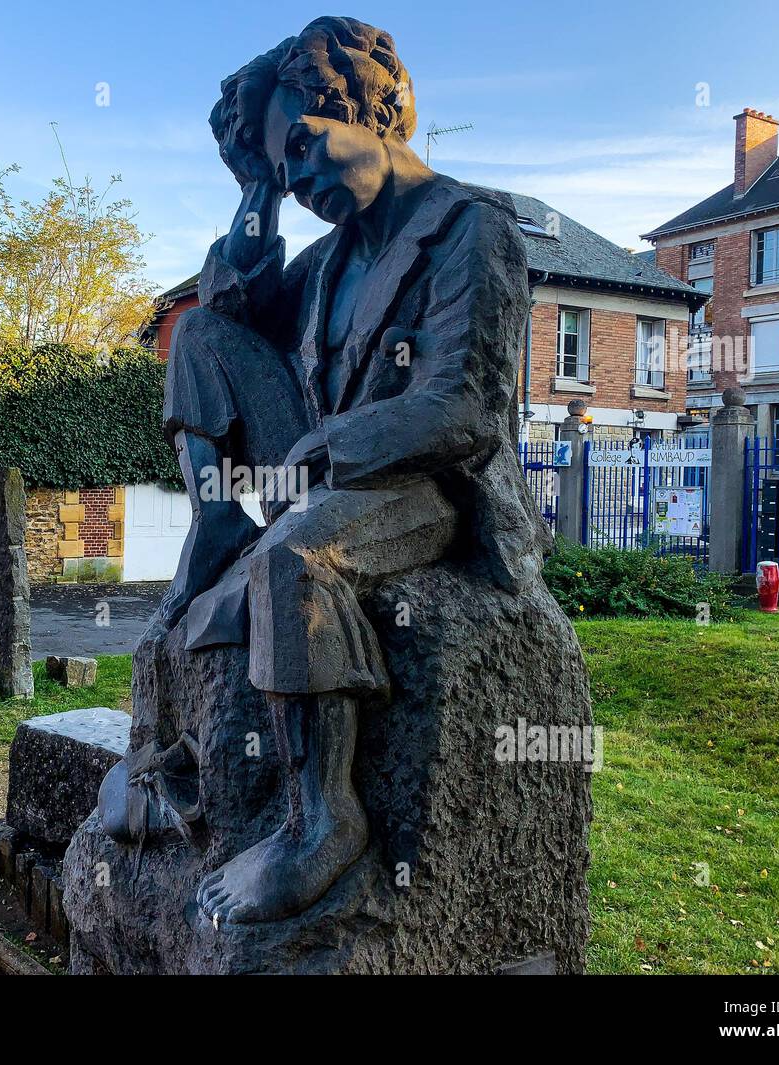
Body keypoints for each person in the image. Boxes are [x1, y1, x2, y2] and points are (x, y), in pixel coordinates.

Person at [100, 15, 545, 925]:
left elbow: (464, 410)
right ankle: (220, 519)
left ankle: (324, 822)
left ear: (375, 111)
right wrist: (256, 185)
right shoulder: (330, 255)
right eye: (285, 169)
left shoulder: (469, 230)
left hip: (421, 485)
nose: (301, 182)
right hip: (331, 470)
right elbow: (229, 301)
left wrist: (328, 450)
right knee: (203, 334)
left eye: (304, 149)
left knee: (293, 562)